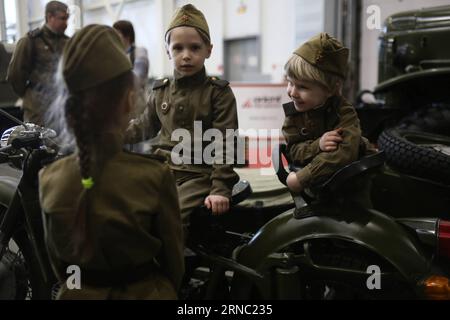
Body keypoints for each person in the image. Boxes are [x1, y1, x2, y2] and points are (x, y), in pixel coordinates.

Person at [38, 25, 184, 300]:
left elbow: (61, 267)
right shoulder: (152, 177)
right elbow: (173, 265)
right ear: (129, 101)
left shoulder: (49, 179)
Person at [125, 4, 239, 231]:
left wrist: (219, 189)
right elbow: (143, 127)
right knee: (125, 205)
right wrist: (108, 133)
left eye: (195, 47)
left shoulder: (218, 93)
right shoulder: (160, 91)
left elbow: (226, 142)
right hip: (162, 170)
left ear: (209, 49)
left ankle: (172, 267)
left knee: (170, 218)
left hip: (198, 175)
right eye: (178, 48)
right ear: (168, 51)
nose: (186, 55)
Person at [283, 32, 374, 195]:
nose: (292, 92)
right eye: (290, 82)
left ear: (331, 89)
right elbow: (294, 150)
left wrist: (303, 177)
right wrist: (317, 145)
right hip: (320, 186)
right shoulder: (294, 114)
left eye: (303, 87)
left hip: (355, 183)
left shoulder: (344, 113)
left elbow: (344, 153)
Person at [7, 1, 70, 125]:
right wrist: (30, 96)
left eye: (67, 19)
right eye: (62, 19)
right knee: (38, 142)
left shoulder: (67, 43)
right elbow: (15, 75)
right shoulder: (31, 41)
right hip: (38, 109)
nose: (66, 23)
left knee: (62, 143)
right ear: (50, 17)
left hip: (61, 107)